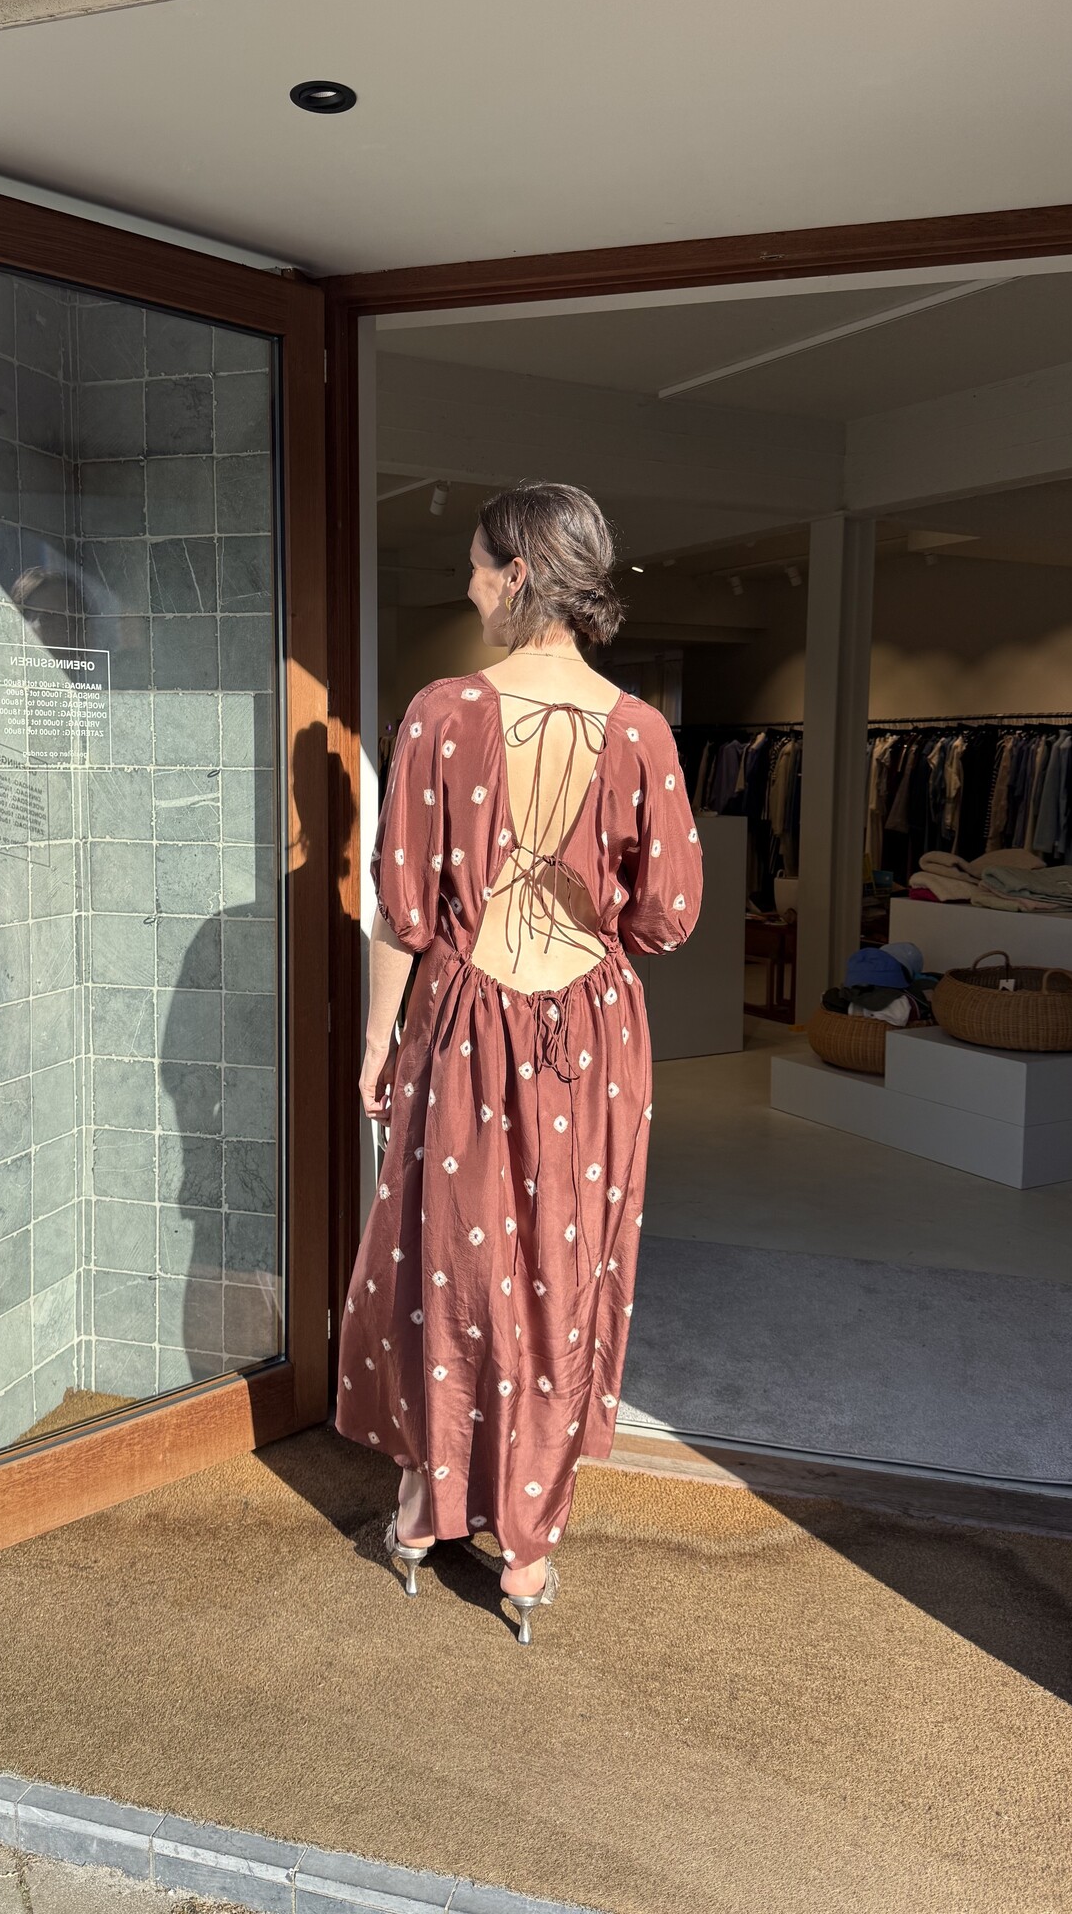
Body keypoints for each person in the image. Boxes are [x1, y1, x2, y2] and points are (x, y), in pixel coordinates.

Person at [336, 483, 703, 1642]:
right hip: (593, 1035)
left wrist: (376, 1041)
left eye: (478, 567)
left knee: (447, 1262)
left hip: (461, 1021)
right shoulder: (641, 731)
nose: (469, 586)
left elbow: (402, 910)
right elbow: (670, 914)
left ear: (520, 574)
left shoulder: (440, 713)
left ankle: (423, 1505)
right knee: (565, 1268)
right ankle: (529, 1548)